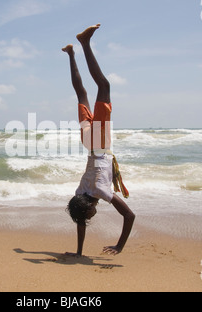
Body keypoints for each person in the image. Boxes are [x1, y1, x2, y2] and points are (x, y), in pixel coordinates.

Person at [62, 24, 135, 257]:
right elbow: (80, 219)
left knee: (104, 86)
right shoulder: (80, 192)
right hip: (87, 142)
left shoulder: (101, 192)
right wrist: (79, 253)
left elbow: (129, 216)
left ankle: (85, 43)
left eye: (89, 216)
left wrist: (119, 246)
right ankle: (71, 53)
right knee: (81, 95)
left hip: (100, 141)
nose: (91, 218)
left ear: (90, 208)